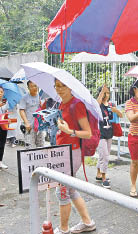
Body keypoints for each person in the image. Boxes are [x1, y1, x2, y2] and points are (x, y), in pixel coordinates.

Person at [53, 79, 96, 234]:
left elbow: (88, 133)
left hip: (72, 153)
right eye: (56, 86)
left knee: (62, 191)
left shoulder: (76, 104)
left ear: (70, 87)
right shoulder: (60, 104)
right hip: (62, 151)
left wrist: (69, 131)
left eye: (62, 86)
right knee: (70, 190)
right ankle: (88, 222)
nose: (59, 89)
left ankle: (63, 229)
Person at [95, 84, 123, 189]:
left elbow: (121, 115)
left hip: (109, 133)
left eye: (107, 93)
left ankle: (98, 174)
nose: (106, 95)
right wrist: (102, 91)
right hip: (100, 134)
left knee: (103, 155)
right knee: (105, 156)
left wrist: (116, 110)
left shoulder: (111, 104)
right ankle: (103, 178)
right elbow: (96, 104)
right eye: (104, 93)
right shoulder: (97, 105)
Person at [19, 80, 44, 148]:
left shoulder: (40, 97)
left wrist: (42, 106)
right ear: (28, 88)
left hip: (39, 126)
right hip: (29, 126)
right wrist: (26, 122)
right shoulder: (25, 98)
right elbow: (21, 111)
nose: (34, 88)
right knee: (30, 147)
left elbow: (43, 111)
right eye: (32, 86)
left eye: (35, 86)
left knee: (41, 146)